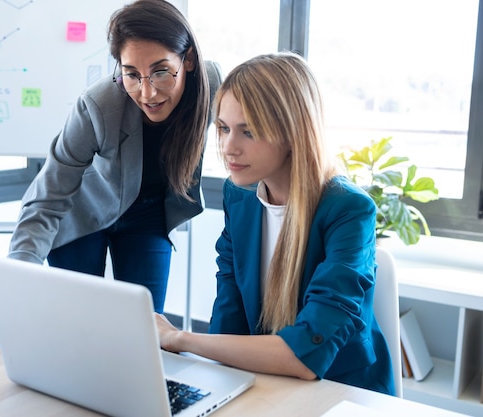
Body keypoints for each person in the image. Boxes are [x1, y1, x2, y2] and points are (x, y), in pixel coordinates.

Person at [0, 0, 222, 338]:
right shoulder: (100, 104)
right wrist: (13, 285)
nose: (147, 92)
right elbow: (48, 194)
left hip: (149, 216)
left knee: (146, 330)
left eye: (161, 71)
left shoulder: (212, 86)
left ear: (189, 59)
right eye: (131, 74)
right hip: (83, 214)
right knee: (77, 328)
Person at [155, 52, 396, 396]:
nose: (228, 147)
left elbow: (307, 355)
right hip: (265, 384)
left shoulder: (348, 210)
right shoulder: (238, 197)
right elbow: (230, 315)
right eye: (223, 128)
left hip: (342, 394)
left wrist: (179, 338)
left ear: (291, 132)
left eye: (248, 131)